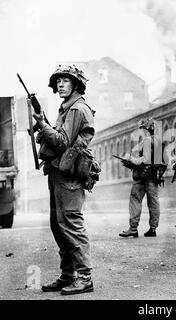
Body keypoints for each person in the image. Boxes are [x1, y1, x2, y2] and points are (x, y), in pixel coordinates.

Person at [31, 64, 95, 294]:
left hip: (70, 175)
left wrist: (41, 122)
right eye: (57, 81)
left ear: (76, 84)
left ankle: (85, 277)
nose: (60, 84)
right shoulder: (66, 108)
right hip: (59, 172)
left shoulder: (77, 109)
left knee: (71, 224)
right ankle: (68, 275)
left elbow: (61, 142)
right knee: (59, 226)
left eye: (65, 80)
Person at [119, 118, 164, 238]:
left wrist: (131, 160)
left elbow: (145, 159)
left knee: (135, 199)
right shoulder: (158, 140)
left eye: (143, 129)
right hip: (154, 176)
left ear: (147, 129)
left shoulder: (148, 140)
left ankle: (133, 228)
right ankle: (153, 228)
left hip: (143, 175)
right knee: (153, 201)